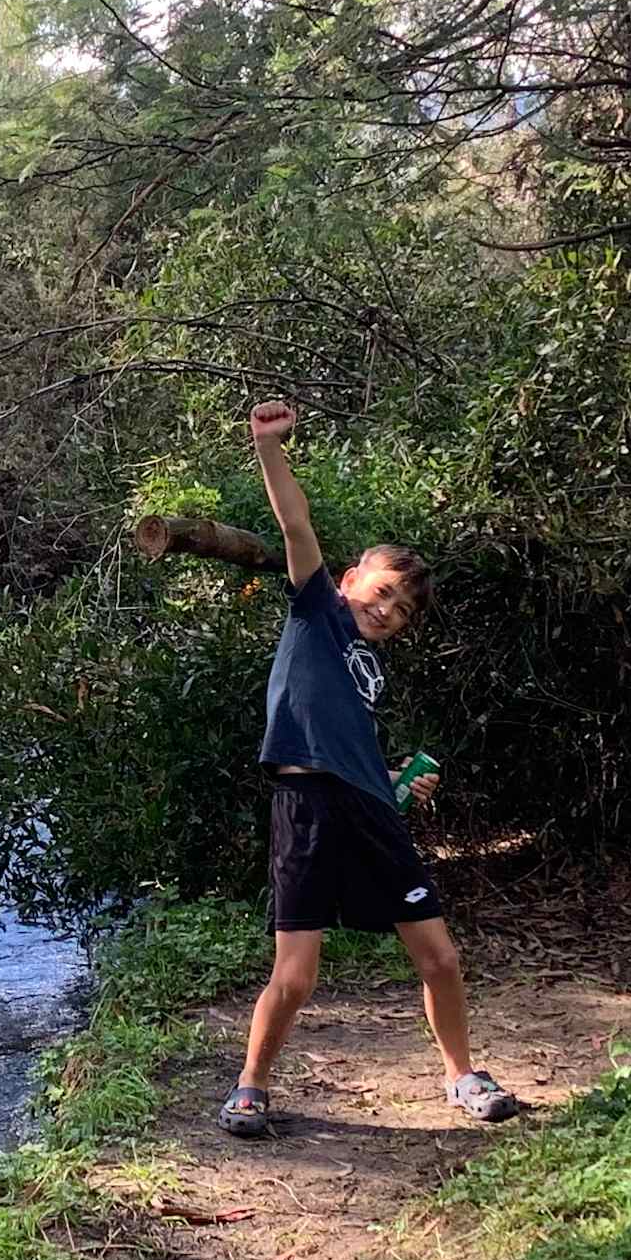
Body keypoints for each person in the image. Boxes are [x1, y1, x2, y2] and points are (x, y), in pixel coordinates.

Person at [222, 399, 520, 1140]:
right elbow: (295, 523)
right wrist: (269, 448)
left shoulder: (369, 670)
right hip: (305, 809)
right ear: (352, 578)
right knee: (295, 977)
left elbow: (346, 745)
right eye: (382, 591)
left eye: (402, 610)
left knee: (440, 958)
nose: (388, 610)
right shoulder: (315, 611)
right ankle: (250, 1087)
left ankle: (462, 1076)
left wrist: (392, 781)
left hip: (371, 810)